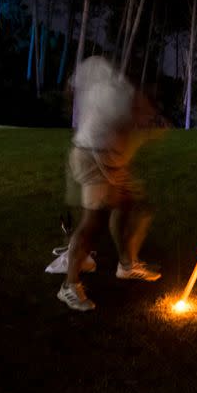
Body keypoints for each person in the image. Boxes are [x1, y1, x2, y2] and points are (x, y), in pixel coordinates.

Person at [58, 56, 164, 311]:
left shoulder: (104, 74)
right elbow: (141, 124)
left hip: (113, 160)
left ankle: (127, 265)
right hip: (94, 157)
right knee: (93, 223)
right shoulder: (119, 104)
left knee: (131, 205)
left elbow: (71, 88)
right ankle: (68, 286)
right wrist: (153, 126)